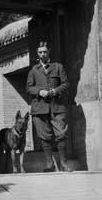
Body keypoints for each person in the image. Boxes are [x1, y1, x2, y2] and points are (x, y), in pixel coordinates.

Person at [26, 41, 72, 172]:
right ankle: (49, 164)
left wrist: (54, 91)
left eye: (45, 51)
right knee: (44, 136)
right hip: (39, 108)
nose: (42, 54)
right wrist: (40, 91)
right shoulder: (34, 70)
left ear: (49, 52)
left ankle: (63, 163)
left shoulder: (58, 67)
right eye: (40, 52)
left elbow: (66, 84)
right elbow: (28, 88)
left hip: (56, 106)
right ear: (37, 53)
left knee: (61, 133)